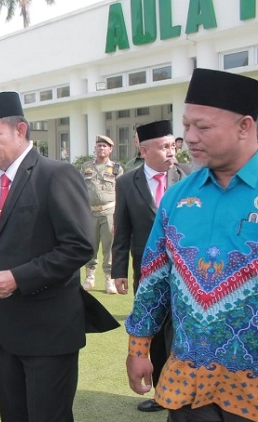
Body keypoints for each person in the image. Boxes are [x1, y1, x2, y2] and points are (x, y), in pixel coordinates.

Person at [0, 91, 119, 422]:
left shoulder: (56, 174)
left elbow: (78, 246)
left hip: (48, 333)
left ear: (20, 130)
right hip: (7, 332)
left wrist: (18, 278)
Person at [125, 67, 258, 422]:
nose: (189, 137)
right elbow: (154, 278)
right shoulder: (177, 196)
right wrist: (139, 348)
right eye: (186, 126)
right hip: (188, 382)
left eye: (203, 127)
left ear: (245, 126)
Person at [111, 120, 190, 413]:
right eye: (164, 146)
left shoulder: (189, 177)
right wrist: (118, 270)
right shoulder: (126, 183)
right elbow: (122, 231)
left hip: (187, 274)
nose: (171, 152)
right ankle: (161, 394)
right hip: (147, 275)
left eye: (173, 145)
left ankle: (182, 391)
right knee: (153, 333)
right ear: (144, 150)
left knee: (180, 333)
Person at [81, 135, 123, 294]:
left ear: (110, 149)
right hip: (90, 211)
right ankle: (89, 277)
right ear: (95, 148)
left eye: (105, 146)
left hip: (109, 212)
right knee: (90, 245)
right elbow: (80, 188)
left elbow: (122, 191)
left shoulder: (116, 168)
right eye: (99, 145)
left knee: (109, 246)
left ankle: (109, 279)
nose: (101, 148)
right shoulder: (86, 167)